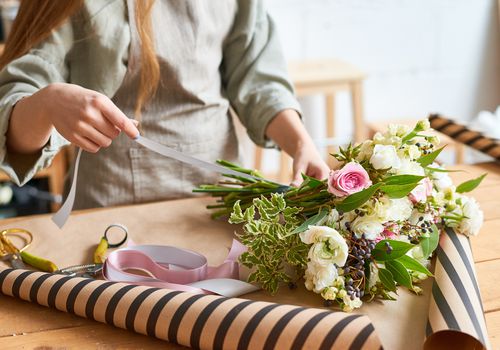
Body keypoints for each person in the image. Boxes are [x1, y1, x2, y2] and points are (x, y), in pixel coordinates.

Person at [0, 0, 329, 210]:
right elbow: (13, 130)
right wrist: (46, 104)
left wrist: (301, 143)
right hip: (111, 213)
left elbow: (257, 79)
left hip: (225, 206)